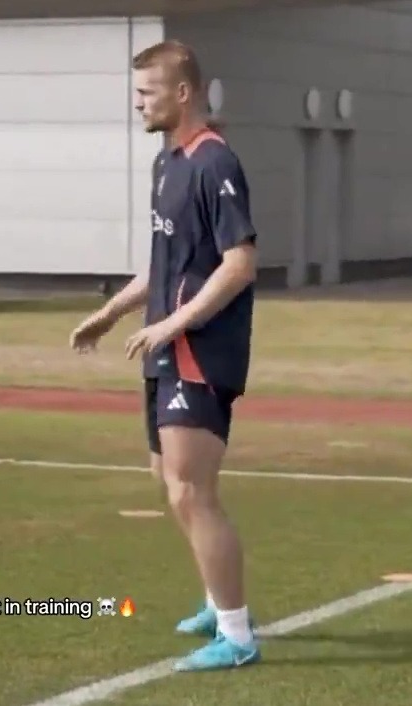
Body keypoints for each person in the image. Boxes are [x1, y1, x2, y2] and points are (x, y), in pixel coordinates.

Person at [69, 40, 260, 672]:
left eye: (147, 92)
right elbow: (162, 263)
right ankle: (216, 599)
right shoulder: (166, 164)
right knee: (168, 482)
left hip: (199, 351)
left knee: (191, 490)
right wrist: (111, 313)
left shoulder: (215, 163)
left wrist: (174, 324)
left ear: (182, 93)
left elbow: (239, 265)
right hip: (161, 346)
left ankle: (236, 636)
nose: (138, 103)